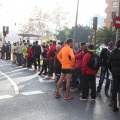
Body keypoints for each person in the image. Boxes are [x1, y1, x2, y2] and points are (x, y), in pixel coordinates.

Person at [107, 40, 120, 111]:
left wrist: (112, 70)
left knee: (114, 89)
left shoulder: (113, 52)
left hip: (115, 73)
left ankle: (114, 106)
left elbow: (108, 63)